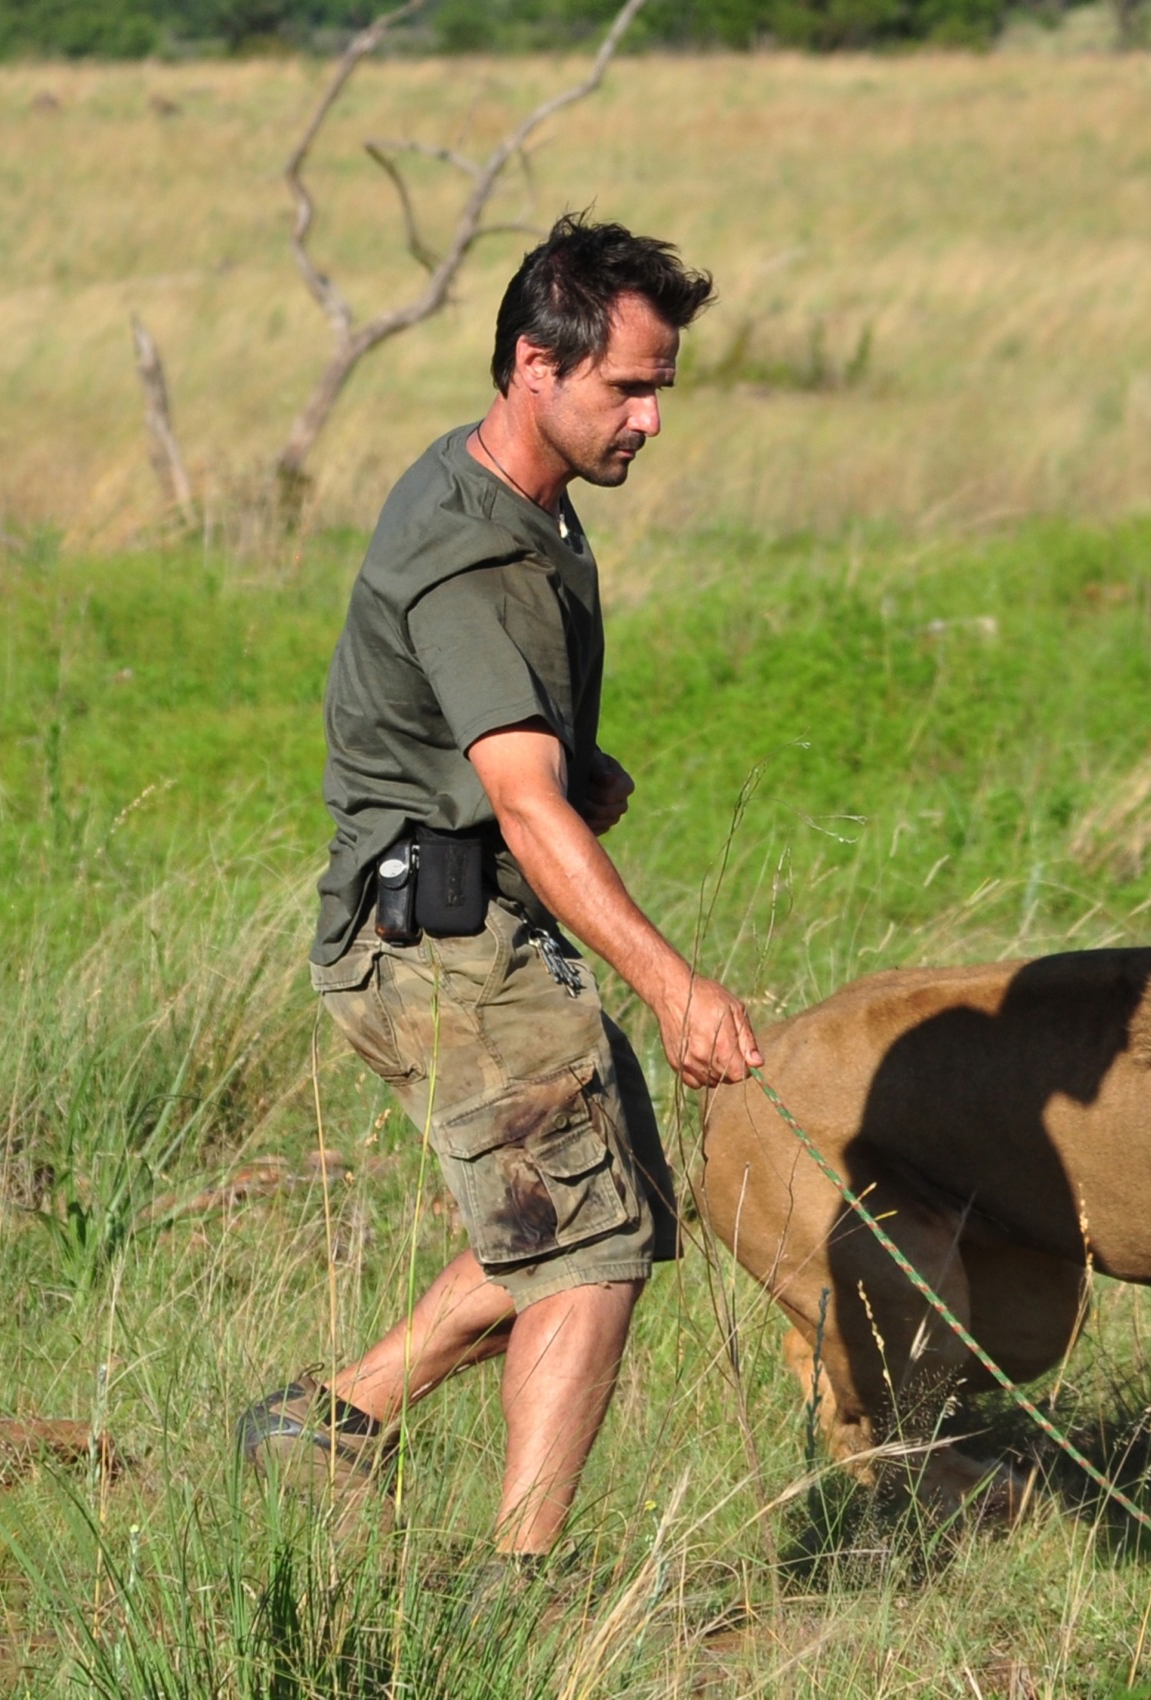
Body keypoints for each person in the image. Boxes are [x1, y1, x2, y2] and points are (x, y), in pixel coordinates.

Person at [238, 215, 762, 1566]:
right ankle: (521, 1592)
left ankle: (333, 1421)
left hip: (464, 920)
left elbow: (521, 769)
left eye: (661, 388)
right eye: (629, 387)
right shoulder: (473, 557)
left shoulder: (522, 495)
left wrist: (575, 763)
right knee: (588, 1248)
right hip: (437, 943)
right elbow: (521, 803)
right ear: (537, 363)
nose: (651, 418)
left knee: (604, 1207)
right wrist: (679, 990)